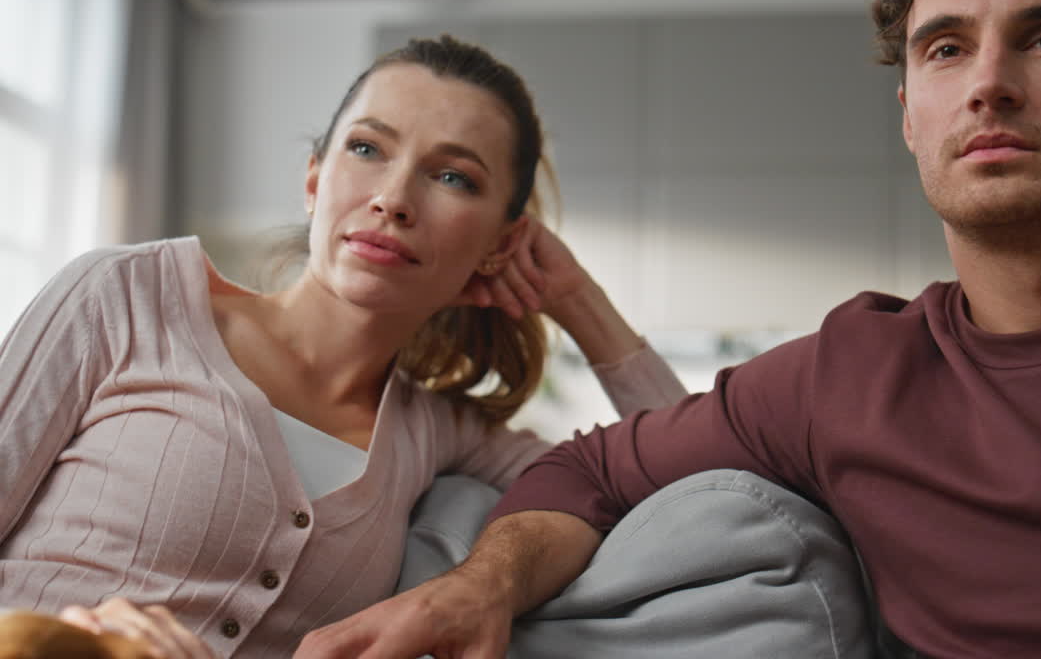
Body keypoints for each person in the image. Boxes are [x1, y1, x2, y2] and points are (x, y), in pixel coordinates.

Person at [295, 0, 1041, 657]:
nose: (988, 84)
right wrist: (482, 587)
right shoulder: (848, 375)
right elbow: (586, 470)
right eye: (943, 48)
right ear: (907, 114)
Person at [0, 35, 686, 657]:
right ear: (312, 181)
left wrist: (578, 301)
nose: (392, 197)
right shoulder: (125, 298)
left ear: (501, 244)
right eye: (367, 148)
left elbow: (685, 498)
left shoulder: (438, 432)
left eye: (454, 177)